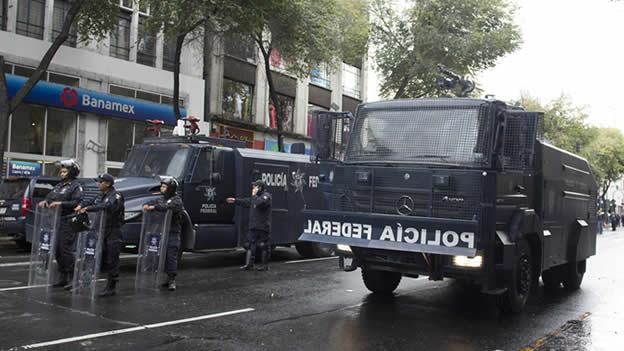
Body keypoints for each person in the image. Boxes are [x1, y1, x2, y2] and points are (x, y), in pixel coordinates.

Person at [74, 173, 124, 297]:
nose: (98, 184)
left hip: (113, 231)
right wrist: (82, 205)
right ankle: (85, 282)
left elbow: (108, 206)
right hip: (100, 230)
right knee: (98, 257)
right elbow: (90, 201)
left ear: (107, 184)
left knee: (112, 258)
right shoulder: (101, 195)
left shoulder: (116, 196)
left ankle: (111, 287)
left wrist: (89, 209)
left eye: (100, 182)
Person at [37, 159, 83, 290]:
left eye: (64, 171)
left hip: (69, 220)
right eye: (61, 171)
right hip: (56, 220)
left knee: (65, 249)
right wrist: (45, 201)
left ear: (71, 172)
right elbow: (50, 197)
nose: (61, 173)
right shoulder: (59, 185)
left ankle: (73, 279)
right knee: (57, 250)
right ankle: (63, 277)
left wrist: (60, 204)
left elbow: (77, 202)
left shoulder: (75, 186)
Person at [143, 176, 185, 291]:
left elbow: (170, 207)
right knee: (160, 255)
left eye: (164, 186)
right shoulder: (161, 199)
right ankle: (159, 277)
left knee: (171, 255)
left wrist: (154, 207)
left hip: (172, 232)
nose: (162, 188)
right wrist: (147, 206)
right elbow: (149, 203)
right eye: (161, 186)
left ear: (171, 188)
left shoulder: (177, 199)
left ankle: (171, 280)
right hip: (161, 231)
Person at [226, 180, 272, 271]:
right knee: (250, 245)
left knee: (263, 246)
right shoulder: (254, 198)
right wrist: (235, 200)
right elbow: (246, 201)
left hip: (263, 226)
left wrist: (254, 195)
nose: (253, 188)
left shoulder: (266, 196)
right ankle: (249, 265)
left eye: (255, 187)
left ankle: (264, 266)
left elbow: (259, 203)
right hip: (253, 226)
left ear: (260, 188)